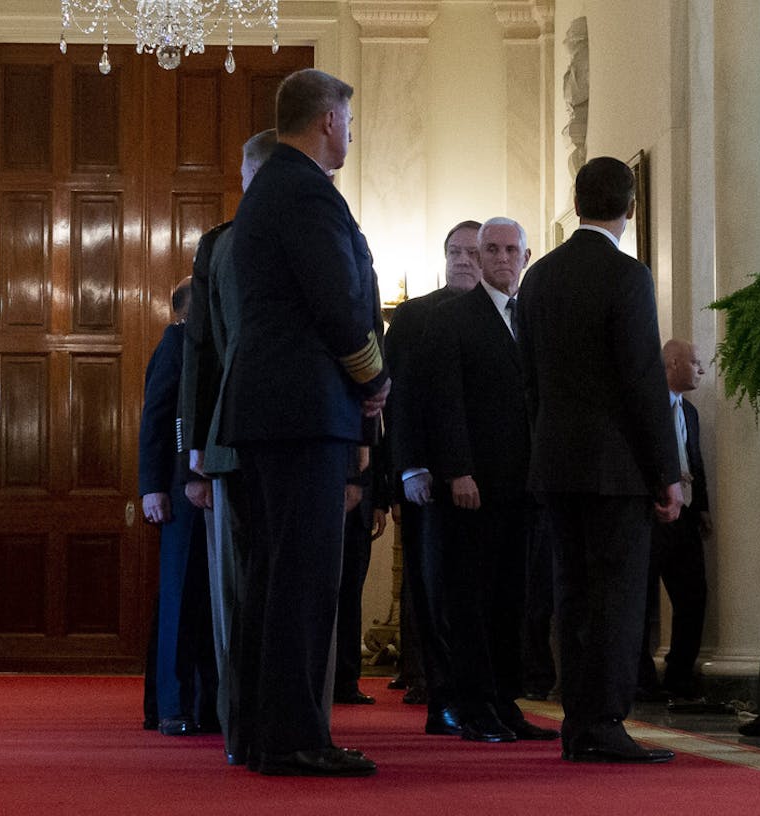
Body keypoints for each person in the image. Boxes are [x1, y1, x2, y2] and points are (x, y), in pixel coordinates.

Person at [217, 68, 388, 778]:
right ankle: (294, 738)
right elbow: (339, 302)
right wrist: (373, 378)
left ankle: (261, 733)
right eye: (346, 121)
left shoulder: (269, 190)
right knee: (304, 582)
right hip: (304, 412)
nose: (348, 133)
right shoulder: (308, 192)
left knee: (271, 579)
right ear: (325, 120)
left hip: (268, 413)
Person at [515, 156, 681, 764]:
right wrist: (668, 472)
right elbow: (642, 380)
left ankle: (577, 721)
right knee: (615, 597)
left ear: (578, 203)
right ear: (630, 208)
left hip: (556, 464)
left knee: (572, 593)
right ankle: (604, 722)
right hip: (615, 472)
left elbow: (528, 379)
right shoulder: (627, 275)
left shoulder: (538, 279)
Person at [419, 217, 560, 744]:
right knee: (472, 602)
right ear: (477, 258)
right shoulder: (454, 318)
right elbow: (444, 399)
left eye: (510, 250)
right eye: (491, 250)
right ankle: (475, 706)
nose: (501, 259)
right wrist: (457, 469)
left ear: (526, 257)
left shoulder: (532, 319)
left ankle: (505, 702)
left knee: (513, 603)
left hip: (524, 486)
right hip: (474, 485)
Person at [179, 129, 278, 767]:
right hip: (235, 439)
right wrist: (196, 442)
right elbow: (201, 348)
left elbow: (203, 351)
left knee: (239, 596)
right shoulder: (217, 244)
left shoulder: (230, 241)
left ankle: (250, 724)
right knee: (248, 592)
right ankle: (251, 723)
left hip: (235, 438)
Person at [383, 221, 481, 726]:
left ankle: (480, 692)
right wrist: (406, 470)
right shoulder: (413, 316)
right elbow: (396, 400)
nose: (464, 259)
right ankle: (433, 686)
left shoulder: (506, 313)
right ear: (443, 257)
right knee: (431, 587)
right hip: (428, 483)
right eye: (455, 251)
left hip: (489, 482)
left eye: (473, 251)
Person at [140, 278, 216, 736]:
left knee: (207, 601)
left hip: (212, 492)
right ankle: (172, 706)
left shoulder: (212, 346)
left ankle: (204, 704)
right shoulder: (176, 343)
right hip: (180, 492)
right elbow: (157, 418)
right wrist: (153, 486)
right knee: (179, 599)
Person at [638, 339, 712, 701]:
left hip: (685, 518)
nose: (702, 370)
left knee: (693, 596)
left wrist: (702, 509)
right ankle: (642, 681)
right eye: (696, 363)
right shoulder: (646, 409)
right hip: (649, 516)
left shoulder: (691, 413)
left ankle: (679, 677)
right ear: (672, 363)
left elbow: (694, 463)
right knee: (641, 600)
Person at [333, 446, 388, 706]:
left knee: (351, 595)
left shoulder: (371, 406)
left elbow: (376, 443)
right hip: (327, 491)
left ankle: (346, 678)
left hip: (362, 507)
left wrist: (379, 502)